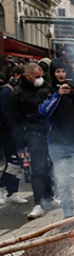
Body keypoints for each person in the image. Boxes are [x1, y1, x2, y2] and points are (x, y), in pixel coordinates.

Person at [38, 60, 74, 220]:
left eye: (63, 71)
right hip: (57, 145)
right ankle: (68, 215)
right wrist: (58, 95)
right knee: (63, 183)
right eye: (58, 72)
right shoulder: (47, 91)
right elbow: (44, 112)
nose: (61, 75)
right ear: (53, 73)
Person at [9, 62, 61, 219]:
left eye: (42, 76)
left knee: (50, 166)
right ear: (28, 76)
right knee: (38, 170)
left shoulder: (46, 88)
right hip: (33, 136)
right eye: (37, 77)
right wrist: (20, 146)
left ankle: (49, 197)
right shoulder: (17, 93)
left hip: (50, 134)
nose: (40, 79)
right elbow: (15, 121)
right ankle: (38, 204)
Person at [0, 65, 29, 205]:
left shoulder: (19, 91)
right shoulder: (7, 91)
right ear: (17, 75)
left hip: (19, 133)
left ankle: (12, 192)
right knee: (12, 163)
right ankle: (1, 188)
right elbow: (6, 115)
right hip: (10, 134)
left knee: (19, 164)